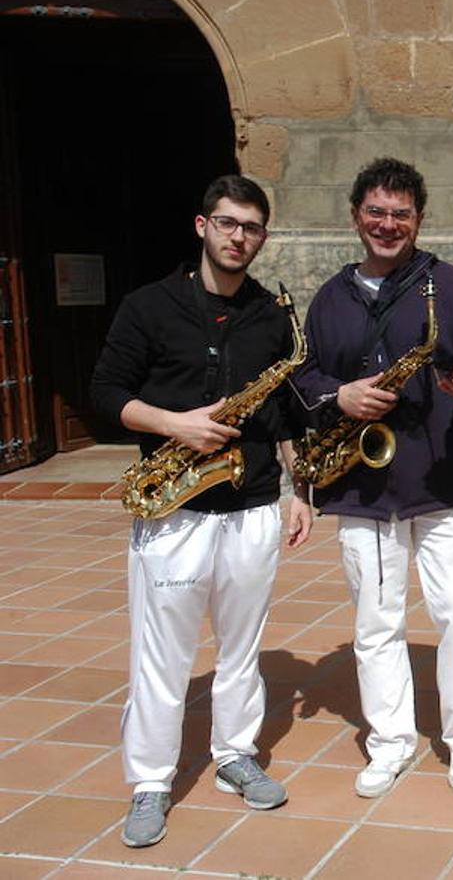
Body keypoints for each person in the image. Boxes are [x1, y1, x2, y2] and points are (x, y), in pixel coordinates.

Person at [91, 175, 312, 848]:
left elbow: (283, 412)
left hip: (250, 506)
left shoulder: (272, 314)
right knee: (163, 654)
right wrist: (172, 424)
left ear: (262, 237)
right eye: (227, 223)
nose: (238, 236)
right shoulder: (148, 306)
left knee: (242, 646)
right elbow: (105, 393)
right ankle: (152, 781)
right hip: (174, 509)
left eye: (251, 227)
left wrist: (297, 490)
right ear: (201, 226)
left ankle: (235, 754)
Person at [290, 157, 453, 797]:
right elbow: (303, 381)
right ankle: (391, 742)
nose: (388, 224)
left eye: (401, 214)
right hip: (363, 487)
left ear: (419, 219)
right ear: (357, 215)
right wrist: (341, 396)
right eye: (377, 212)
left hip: (446, 485)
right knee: (375, 625)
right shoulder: (330, 298)